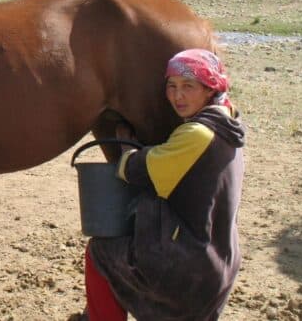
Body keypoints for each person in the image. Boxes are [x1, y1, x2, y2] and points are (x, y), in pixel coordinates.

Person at [83, 48, 245, 321]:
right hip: (222, 258)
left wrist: (125, 151)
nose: (177, 96)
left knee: (100, 252)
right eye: (171, 86)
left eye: (188, 86)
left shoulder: (196, 134)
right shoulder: (230, 121)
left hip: (191, 264)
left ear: (209, 89)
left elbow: (136, 170)